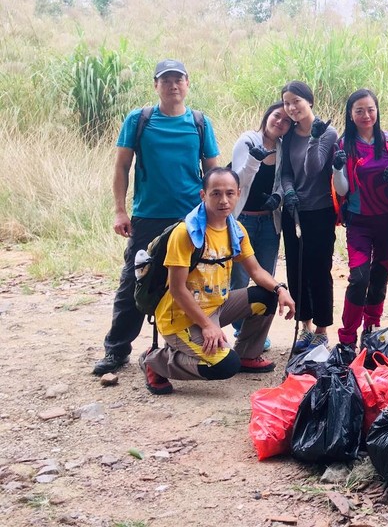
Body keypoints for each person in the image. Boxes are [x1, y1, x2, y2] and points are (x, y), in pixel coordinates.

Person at [93, 59, 219, 376]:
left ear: (187, 84)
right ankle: (117, 350)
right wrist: (120, 210)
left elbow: (213, 173)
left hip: (191, 218)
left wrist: (214, 215)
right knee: (134, 283)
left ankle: (182, 346)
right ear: (156, 85)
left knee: (192, 282)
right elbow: (121, 167)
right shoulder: (140, 120)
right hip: (147, 216)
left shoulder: (200, 123)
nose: (173, 85)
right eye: (166, 80)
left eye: (178, 79)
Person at [139, 168, 296, 395]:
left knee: (267, 295)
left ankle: (246, 354)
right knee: (223, 366)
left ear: (239, 194)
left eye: (230, 193)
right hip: (181, 318)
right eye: (216, 194)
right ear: (203, 195)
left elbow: (256, 270)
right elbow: (176, 288)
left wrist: (280, 289)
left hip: (217, 306)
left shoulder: (235, 230)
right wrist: (206, 325)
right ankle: (155, 361)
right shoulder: (187, 233)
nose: (224, 200)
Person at [333, 89, 388, 346]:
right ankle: (346, 338)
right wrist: (336, 167)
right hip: (359, 222)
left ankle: (372, 329)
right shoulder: (344, 145)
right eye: (359, 110)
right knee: (359, 279)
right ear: (350, 115)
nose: (366, 115)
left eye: (370, 109)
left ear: (377, 111)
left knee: (379, 277)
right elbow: (342, 189)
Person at [279, 81, 339, 350]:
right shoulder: (288, 135)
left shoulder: (327, 133)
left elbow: (314, 168)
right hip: (293, 212)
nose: (292, 108)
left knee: (319, 270)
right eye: (287, 103)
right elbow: (286, 172)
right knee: (297, 269)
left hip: (320, 211)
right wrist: (289, 192)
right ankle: (304, 325)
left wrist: (314, 137)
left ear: (310, 101)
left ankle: (322, 329)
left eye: (296, 101)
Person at [229, 101, 293, 348]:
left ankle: (255, 333)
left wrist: (278, 196)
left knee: (267, 276)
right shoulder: (248, 140)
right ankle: (239, 329)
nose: (280, 122)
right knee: (240, 277)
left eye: (286, 121)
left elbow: (283, 180)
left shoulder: (282, 148)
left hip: (269, 221)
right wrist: (255, 161)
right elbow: (238, 181)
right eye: (277, 116)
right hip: (242, 219)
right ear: (267, 116)